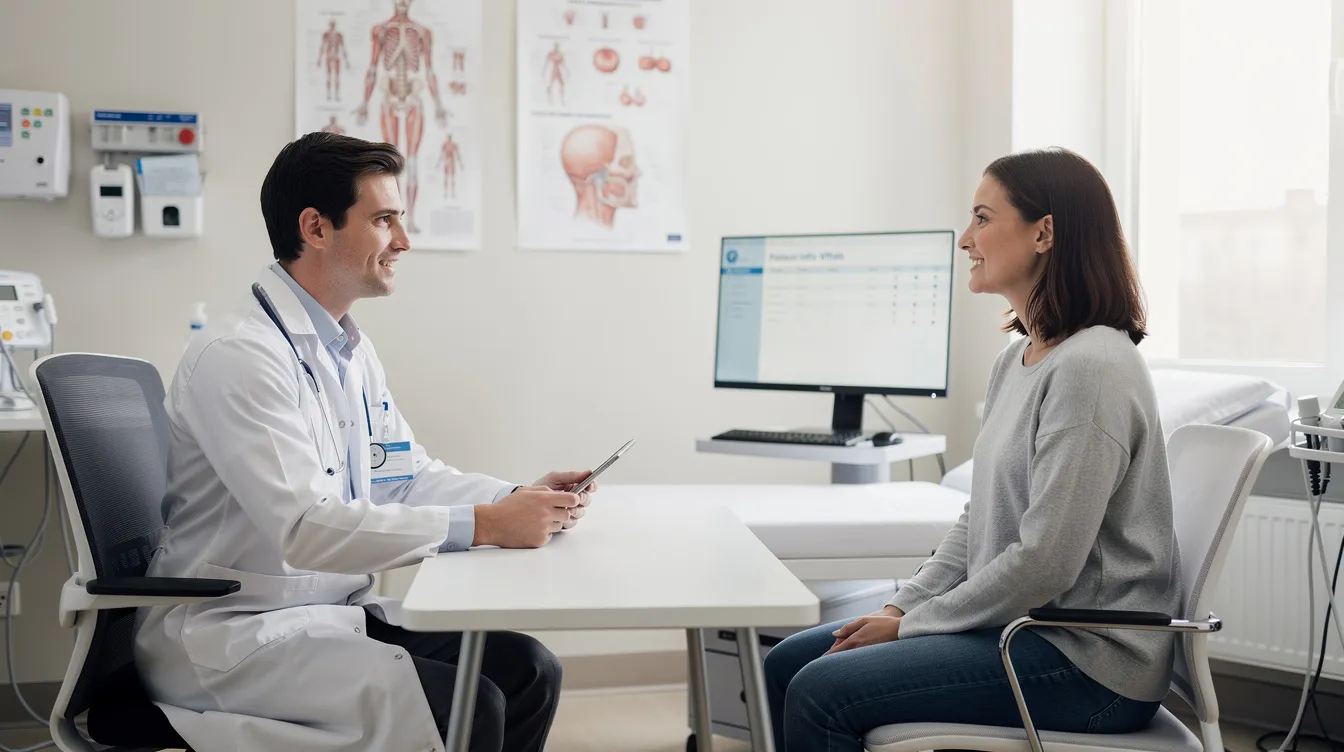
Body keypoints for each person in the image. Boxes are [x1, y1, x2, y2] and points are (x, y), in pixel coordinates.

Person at [133, 132, 591, 752]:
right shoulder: (240, 356)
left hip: (324, 614)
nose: (404, 240)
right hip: (235, 633)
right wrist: (486, 524)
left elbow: (401, 474)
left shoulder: (346, 347)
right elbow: (305, 529)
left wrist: (519, 497)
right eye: (383, 220)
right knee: (468, 707)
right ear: (315, 228)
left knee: (527, 670)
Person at [763, 147, 1181, 750]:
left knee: (821, 689)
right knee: (788, 662)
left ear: (1044, 233)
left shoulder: (1094, 366)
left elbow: (1045, 562)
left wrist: (910, 627)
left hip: (1087, 663)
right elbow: (976, 523)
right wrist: (902, 608)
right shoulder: (1018, 359)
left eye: (982, 218)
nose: (965, 239)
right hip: (1021, 631)